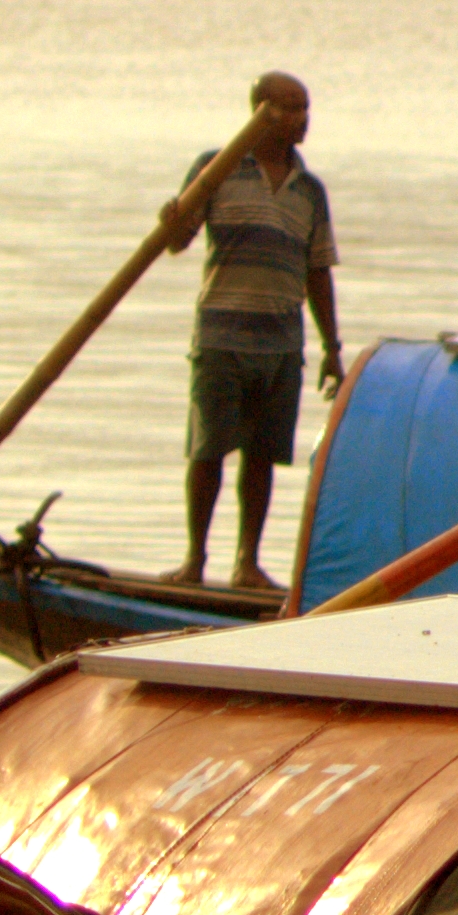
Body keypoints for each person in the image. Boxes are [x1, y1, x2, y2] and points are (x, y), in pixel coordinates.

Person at [157, 71, 342, 593]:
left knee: (262, 456)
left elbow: (317, 271)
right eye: (290, 107)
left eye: (306, 107)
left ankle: (247, 563)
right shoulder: (217, 169)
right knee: (208, 450)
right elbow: (177, 240)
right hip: (221, 336)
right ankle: (194, 560)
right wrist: (172, 218)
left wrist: (332, 349)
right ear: (262, 111)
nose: (303, 117)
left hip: (281, 342)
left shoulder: (309, 190)